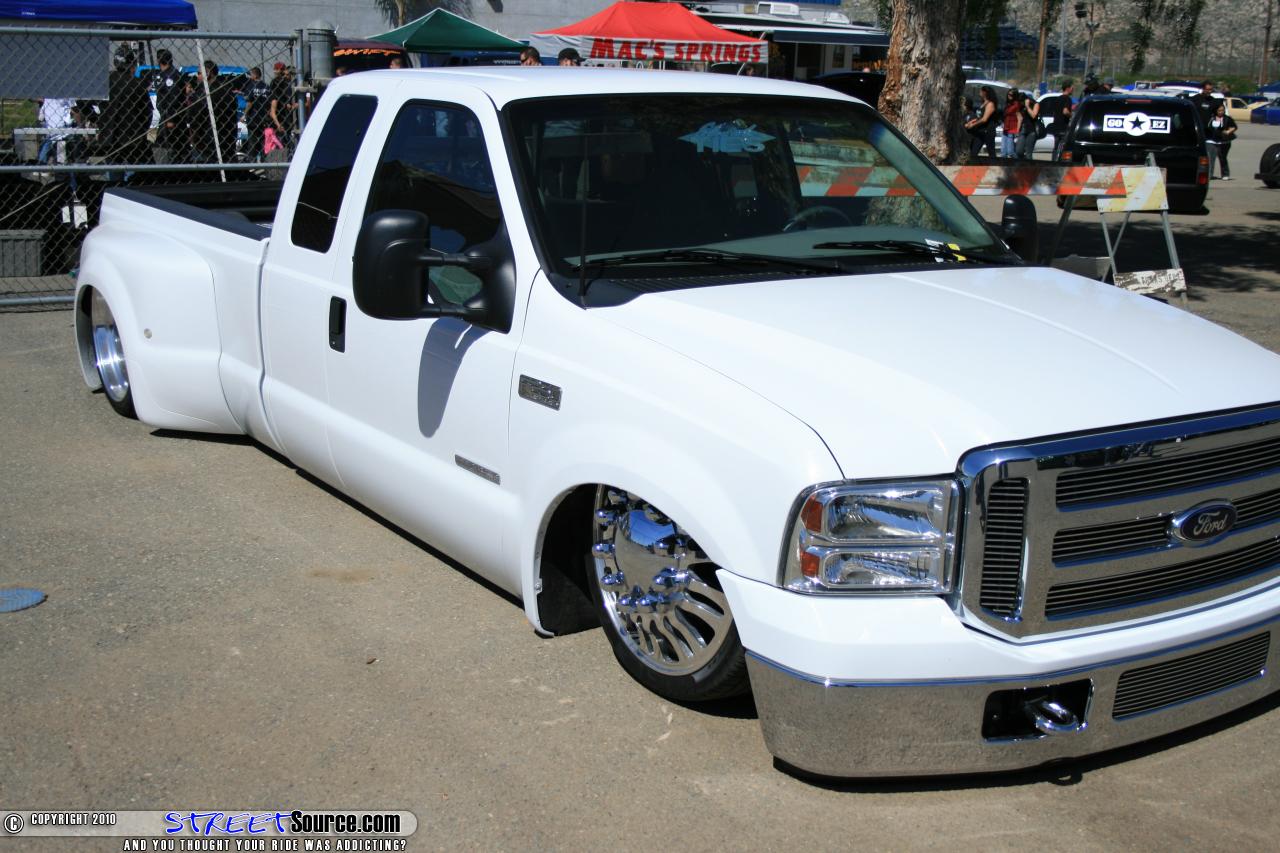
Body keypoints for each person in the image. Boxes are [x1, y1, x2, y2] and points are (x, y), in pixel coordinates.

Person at [190, 61, 239, 163]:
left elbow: (195, 120)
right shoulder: (228, 91)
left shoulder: (202, 94)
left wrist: (193, 139)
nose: (197, 76)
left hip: (207, 144)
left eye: (199, 73)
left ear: (208, 73)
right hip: (227, 142)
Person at [151, 48, 187, 164]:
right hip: (164, 117)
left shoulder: (171, 76)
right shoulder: (164, 75)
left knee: (165, 146)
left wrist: (171, 118)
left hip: (170, 119)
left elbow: (174, 98)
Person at [242, 66, 271, 161]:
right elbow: (270, 102)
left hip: (253, 118)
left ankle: (252, 162)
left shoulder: (251, 86)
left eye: (251, 74)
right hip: (264, 118)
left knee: (252, 142)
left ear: (254, 75)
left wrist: (244, 114)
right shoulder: (266, 86)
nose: (250, 77)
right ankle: (264, 161)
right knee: (264, 141)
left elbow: (249, 102)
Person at [268, 62, 296, 153]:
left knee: (285, 144)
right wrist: (278, 124)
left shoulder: (286, 84)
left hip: (285, 119)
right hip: (281, 120)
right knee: (282, 144)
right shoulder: (277, 83)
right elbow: (273, 110)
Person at [1206, 101, 1238, 180]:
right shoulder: (1211, 118)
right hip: (1212, 141)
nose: (1221, 112)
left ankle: (1225, 174)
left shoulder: (1227, 118)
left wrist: (1228, 131)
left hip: (1224, 142)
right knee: (1211, 158)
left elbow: (1234, 127)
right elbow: (1207, 127)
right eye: (1219, 110)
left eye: (1222, 110)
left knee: (1223, 158)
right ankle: (1209, 174)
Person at [964, 85, 998, 158]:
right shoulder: (983, 104)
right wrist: (971, 122)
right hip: (980, 131)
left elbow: (984, 119)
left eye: (981, 91)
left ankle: (994, 163)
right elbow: (979, 117)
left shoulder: (990, 104)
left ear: (985, 92)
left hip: (988, 131)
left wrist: (973, 125)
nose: (979, 92)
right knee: (973, 152)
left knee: (991, 152)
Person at [1048, 79, 1074, 159]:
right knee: (1064, 147)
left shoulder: (1058, 98)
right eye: (1072, 88)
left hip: (1056, 125)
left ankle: (1054, 161)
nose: (1073, 89)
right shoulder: (1067, 99)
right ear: (1068, 88)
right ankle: (1062, 161)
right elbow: (1065, 111)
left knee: (1056, 147)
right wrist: (1072, 115)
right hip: (1063, 126)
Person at [1015, 91, 1040, 160]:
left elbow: (1033, 116)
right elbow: (1020, 118)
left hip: (1031, 130)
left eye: (1021, 102)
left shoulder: (1035, 104)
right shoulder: (1020, 106)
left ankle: (1029, 165)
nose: (1021, 103)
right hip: (1023, 129)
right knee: (1018, 151)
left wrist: (1027, 107)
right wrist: (1017, 131)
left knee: (1028, 153)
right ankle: (1022, 162)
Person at [1000, 89, 1021, 158]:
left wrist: (1018, 130)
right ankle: (1003, 163)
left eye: (1011, 95)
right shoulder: (1008, 104)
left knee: (1010, 151)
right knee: (1003, 152)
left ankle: (1019, 161)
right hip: (1006, 127)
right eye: (1008, 94)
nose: (1009, 96)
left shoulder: (1016, 104)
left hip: (1012, 128)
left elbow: (1019, 117)